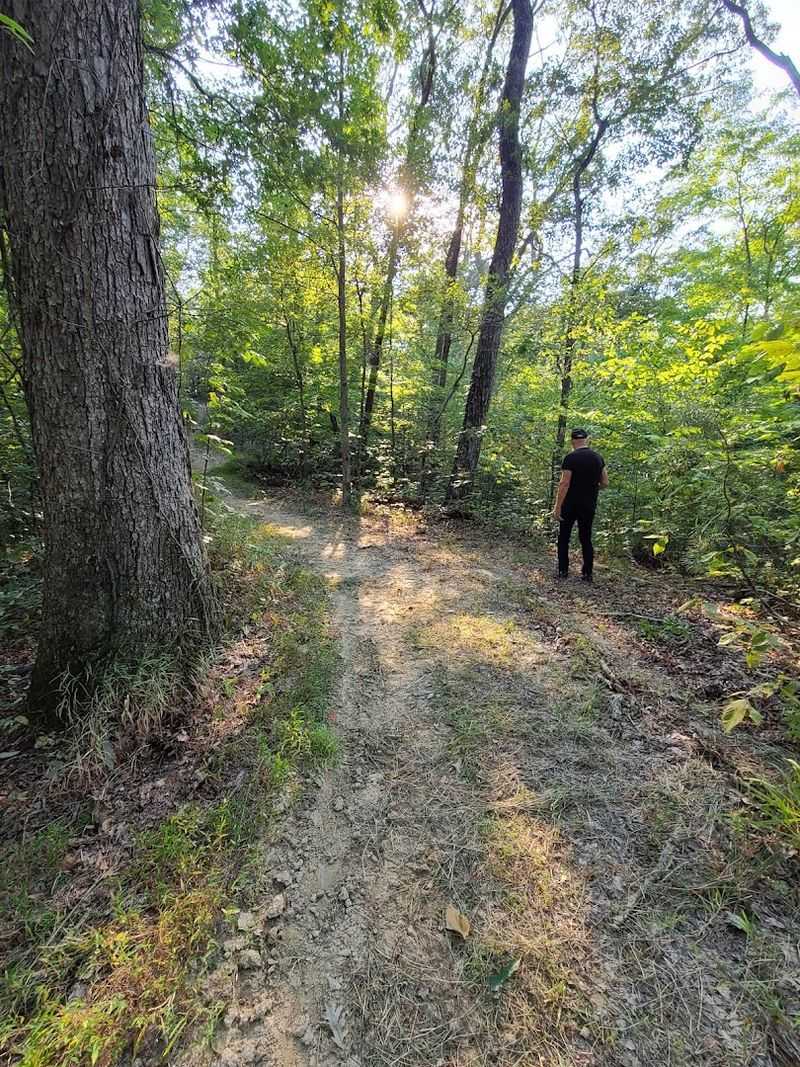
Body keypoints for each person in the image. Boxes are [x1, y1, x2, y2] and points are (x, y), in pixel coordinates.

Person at [552, 428, 608, 582]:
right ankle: (587, 573)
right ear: (586, 439)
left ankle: (563, 571)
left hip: (569, 504)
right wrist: (591, 489)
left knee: (564, 537)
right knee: (586, 537)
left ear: (572, 441)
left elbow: (564, 483)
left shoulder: (570, 458)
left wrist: (557, 507)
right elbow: (605, 482)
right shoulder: (598, 458)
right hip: (588, 505)